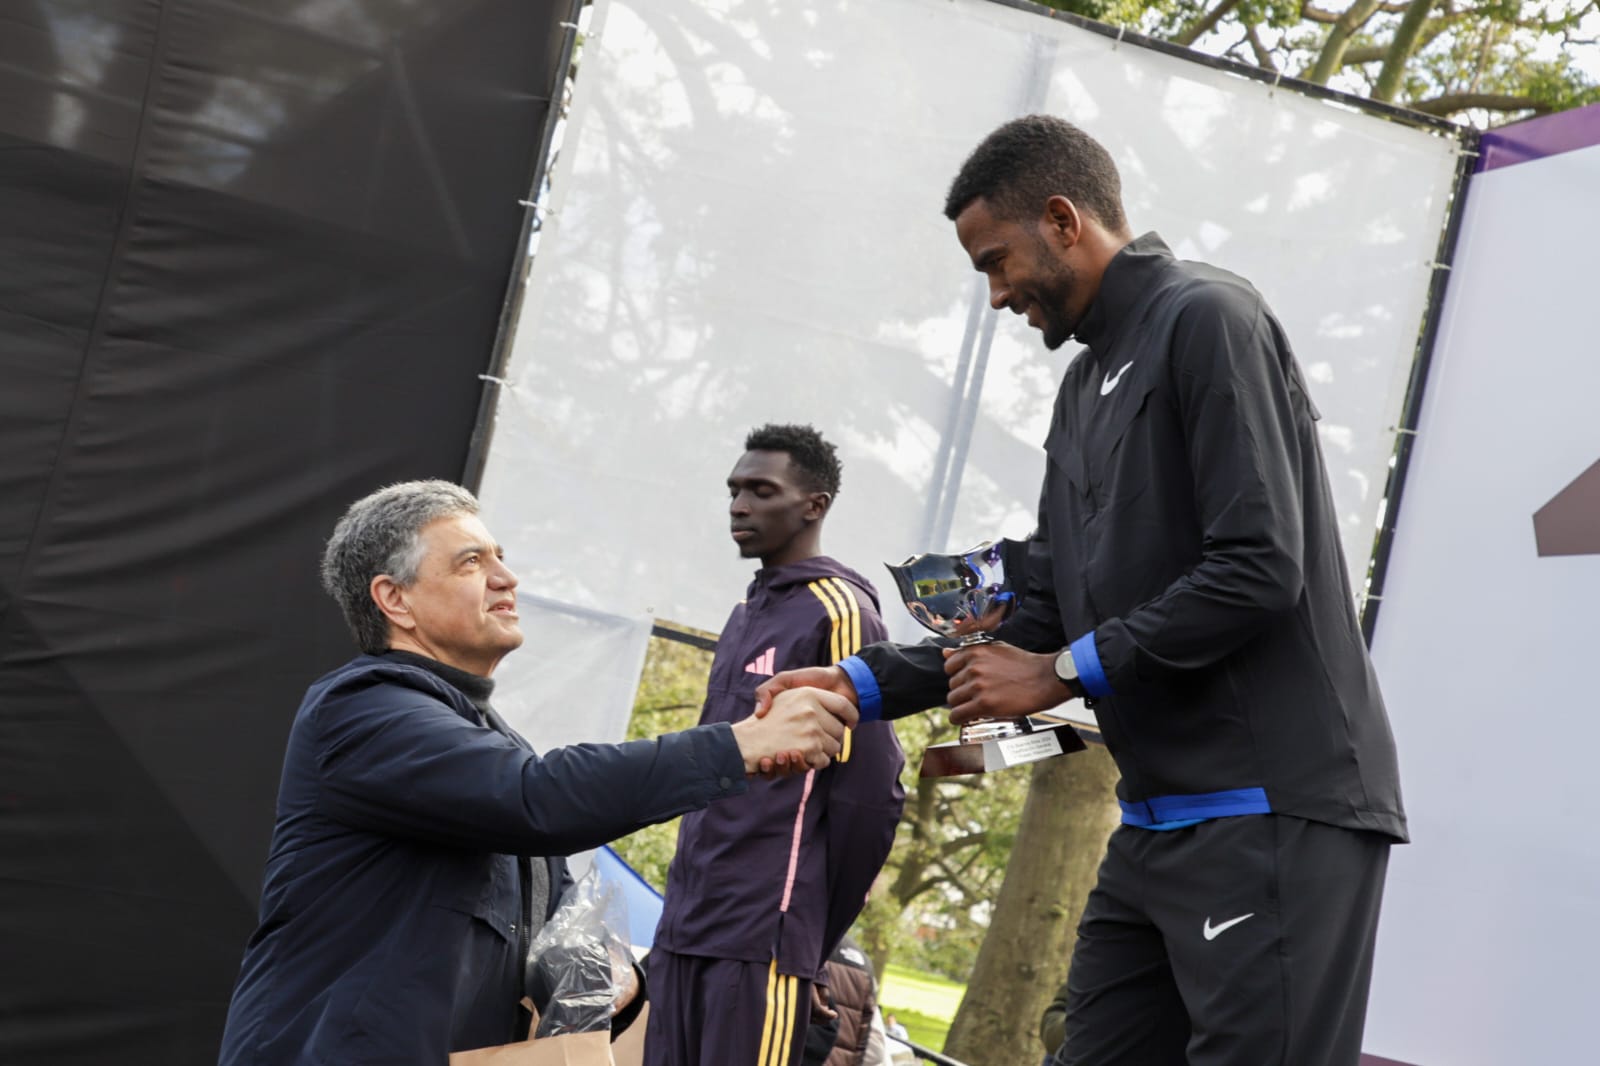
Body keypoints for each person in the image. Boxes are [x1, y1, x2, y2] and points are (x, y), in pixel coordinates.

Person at [755, 116, 1406, 1066]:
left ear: (1062, 220)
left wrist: (1063, 672)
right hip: (1150, 824)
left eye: (996, 260)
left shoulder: (1210, 318)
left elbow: (1261, 566)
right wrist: (855, 688)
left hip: (1272, 811)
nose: (994, 294)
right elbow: (1043, 601)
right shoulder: (1082, 390)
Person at [217, 480, 856, 1066]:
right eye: (472, 562)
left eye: (500, 557)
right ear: (395, 599)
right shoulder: (363, 708)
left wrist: (637, 978)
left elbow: (554, 922)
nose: (507, 578)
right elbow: (538, 798)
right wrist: (739, 744)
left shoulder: (487, 740)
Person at [645, 425, 906, 1066]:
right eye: (735, 490)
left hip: (763, 937)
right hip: (686, 926)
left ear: (813, 505)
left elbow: (871, 797)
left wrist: (813, 943)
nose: (739, 505)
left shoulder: (841, 612)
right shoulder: (745, 613)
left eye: (762, 491)